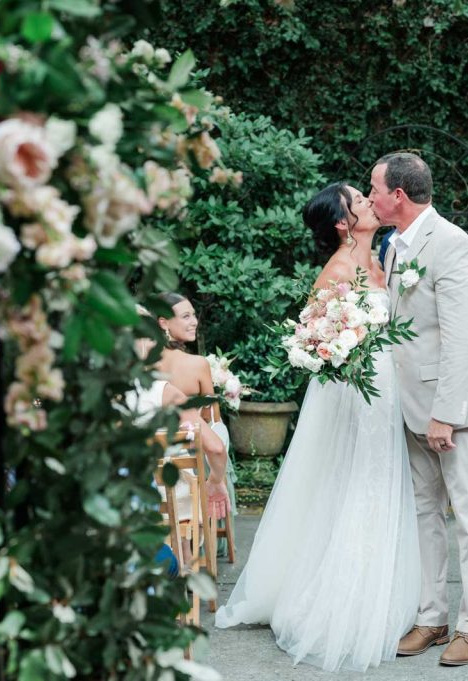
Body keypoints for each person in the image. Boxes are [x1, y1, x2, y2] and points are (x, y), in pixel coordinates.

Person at [215, 182, 420, 673]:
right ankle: (338, 602)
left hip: (386, 392)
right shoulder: (338, 270)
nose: (371, 201)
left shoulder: (384, 259)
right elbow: (313, 338)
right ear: (343, 223)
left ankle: (383, 589)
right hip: (353, 394)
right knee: (348, 485)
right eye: (360, 199)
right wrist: (339, 353)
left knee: (380, 483)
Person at [372, 152, 468, 666]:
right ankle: (432, 617)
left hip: (457, 409)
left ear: (398, 195)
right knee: (426, 514)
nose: (371, 196)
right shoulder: (395, 246)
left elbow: (464, 338)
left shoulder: (452, 244)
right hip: (411, 407)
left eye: (375, 188)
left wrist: (444, 413)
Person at [151, 291, 237, 533]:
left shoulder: (141, 366)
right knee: (218, 436)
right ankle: (216, 505)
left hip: (157, 455)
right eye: (186, 316)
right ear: (163, 323)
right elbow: (212, 417)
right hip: (193, 453)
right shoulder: (197, 364)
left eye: (193, 316)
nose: (194, 322)